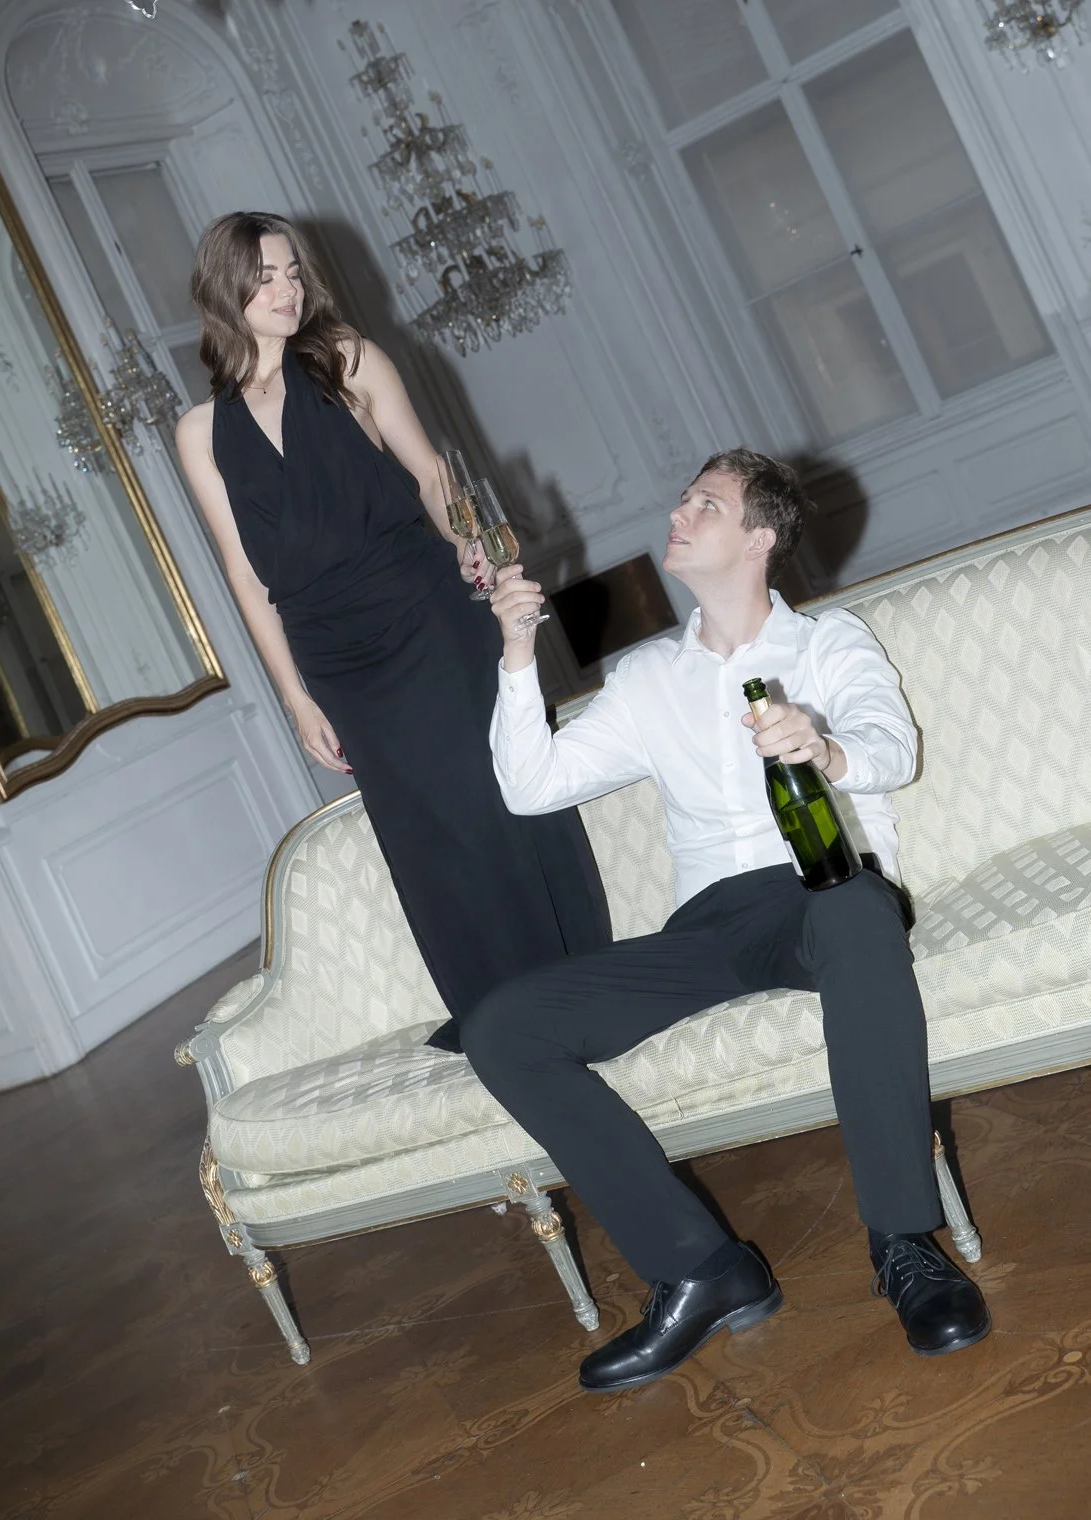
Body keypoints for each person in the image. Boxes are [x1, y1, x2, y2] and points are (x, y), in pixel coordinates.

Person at [464, 447, 990, 1389]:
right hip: (706, 926)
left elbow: (892, 747)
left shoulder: (826, 644)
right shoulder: (645, 675)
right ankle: (704, 1271)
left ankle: (904, 1244)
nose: (677, 514)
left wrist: (822, 747)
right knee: (501, 1027)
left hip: (821, 892)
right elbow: (530, 787)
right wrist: (514, 654)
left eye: (704, 504)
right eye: (681, 500)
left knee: (858, 916)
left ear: (759, 538)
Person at [176, 212, 611, 1052]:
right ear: (223, 289)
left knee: (488, 795)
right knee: (421, 834)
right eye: (266, 276)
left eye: (293, 272)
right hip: (334, 656)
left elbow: (432, 474)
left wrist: (467, 546)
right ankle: (496, 1010)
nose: (287, 290)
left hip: (425, 615)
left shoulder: (348, 359)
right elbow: (243, 575)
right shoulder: (200, 433)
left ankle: (574, 982)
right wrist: (296, 700)